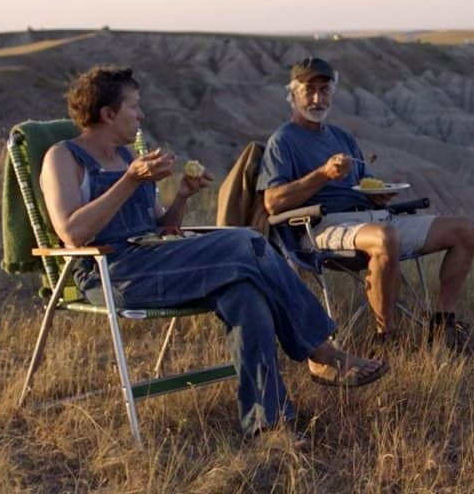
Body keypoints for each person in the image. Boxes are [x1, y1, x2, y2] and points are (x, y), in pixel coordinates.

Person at [40, 65, 387, 444]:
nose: (141, 116)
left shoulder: (127, 158)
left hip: (157, 261)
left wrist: (183, 195)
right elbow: (72, 234)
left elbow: (162, 227)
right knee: (245, 240)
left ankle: (267, 426)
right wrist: (130, 181)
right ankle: (320, 350)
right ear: (108, 114)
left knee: (246, 294)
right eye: (134, 107)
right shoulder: (64, 158)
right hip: (113, 273)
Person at [258, 57, 474, 354]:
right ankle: (385, 338)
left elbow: (364, 183)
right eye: (309, 90)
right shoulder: (283, 141)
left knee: (466, 230)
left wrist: (378, 193)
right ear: (293, 94)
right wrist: (322, 175)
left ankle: (442, 326)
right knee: (384, 237)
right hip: (320, 227)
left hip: (371, 217)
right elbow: (273, 202)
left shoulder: (342, 138)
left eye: (324, 90)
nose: (317, 98)